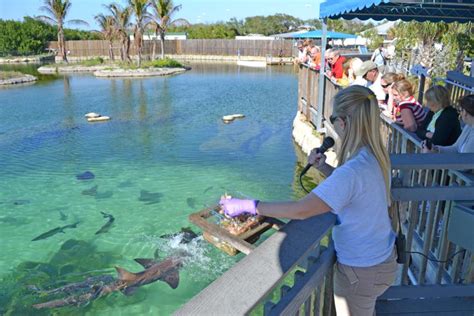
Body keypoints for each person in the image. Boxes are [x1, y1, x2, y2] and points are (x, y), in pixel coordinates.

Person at [220, 86, 397, 316]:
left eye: (333, 119)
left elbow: (301, 210)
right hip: (383, 259)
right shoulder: (374, 157)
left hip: (361, 271)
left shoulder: (353, 170)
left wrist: (249, 206)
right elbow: (353, 190)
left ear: (343, 122)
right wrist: (323, 167)